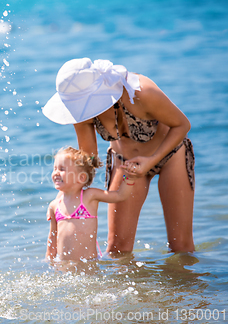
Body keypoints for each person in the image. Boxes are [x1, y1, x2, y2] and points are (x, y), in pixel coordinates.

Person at [43, 58, 195, 255]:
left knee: (181, 246)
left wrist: (151, 160)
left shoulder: (141, 92)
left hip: (170, 156)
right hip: (126, 168)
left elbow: (182, 125)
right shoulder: (80, 112)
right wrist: (63, 199)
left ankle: (183, 286)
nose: (77, 110)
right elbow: (88, 160)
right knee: (117, 250)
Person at [46, 147, 136, 261]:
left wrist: (129, 178)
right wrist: (48, 262)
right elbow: (52, 238)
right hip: (64, 267)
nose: (56, 173)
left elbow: (120, 196)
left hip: (89, 265)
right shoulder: (54, 206)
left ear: (81, 177)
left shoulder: (89, 196)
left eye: (62, 169)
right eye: (55, 169)